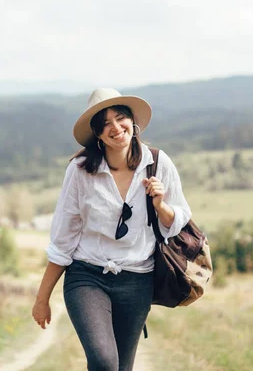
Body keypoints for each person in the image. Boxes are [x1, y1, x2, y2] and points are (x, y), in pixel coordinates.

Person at [32, 88, 192, 371]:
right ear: (96, 133)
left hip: (137, 280)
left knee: (122, 367)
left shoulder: (158, 163)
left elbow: (178, 220)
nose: (115, 128)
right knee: (105, 362)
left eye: (120, 118)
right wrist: (42, 298)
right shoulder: (80, 170)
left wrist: (160, 205)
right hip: (87, 275)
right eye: (105, 123)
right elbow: (63, 239)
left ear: (133, 122)